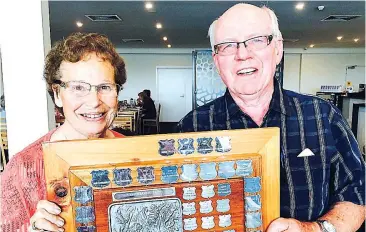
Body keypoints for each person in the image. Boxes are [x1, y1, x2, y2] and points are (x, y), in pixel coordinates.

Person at [177, 3, 365, 232]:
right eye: (227, 46)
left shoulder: (323, 116)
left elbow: (358, 192)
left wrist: (314, 229)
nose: (243, 54)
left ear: (277, 49)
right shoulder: (190, 128)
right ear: (217, 62)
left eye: (256, 40)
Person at [0, 32, 127, 232]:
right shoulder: (23, 169)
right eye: (78, 87)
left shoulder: (135, 153)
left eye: (104, 87)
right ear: (57, 94)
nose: (94, 101)